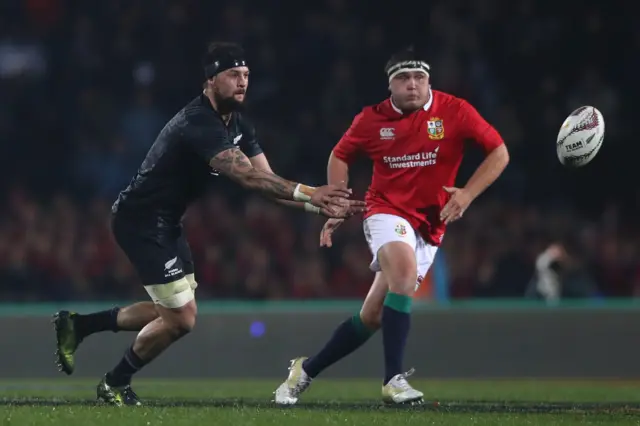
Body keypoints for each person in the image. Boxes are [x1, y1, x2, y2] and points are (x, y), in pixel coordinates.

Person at [52, 42, 365, 407]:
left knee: (170, 312)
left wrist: (320, 207)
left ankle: (78, 326)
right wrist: (312, 194)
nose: (242, 82)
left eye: (246, 75)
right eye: (233, 75)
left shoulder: (239, 124)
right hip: (140, 220)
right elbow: (247, 178)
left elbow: (269, 183)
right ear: (210, 81)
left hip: (166, 222)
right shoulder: (198, 121)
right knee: (181, 319)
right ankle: (113, 383)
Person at [274, 47, 509, 406]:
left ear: (429, 80)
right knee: (403, 273)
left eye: (419, 77)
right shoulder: (371, 120)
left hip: (430, 225)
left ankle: (304, 371)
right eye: (403, 78)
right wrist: (337, 200)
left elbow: (499, 152)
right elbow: (340, 154)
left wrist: (468, 194)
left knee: (371, 316)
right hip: (386, 210)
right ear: (390, 86)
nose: (412, 85)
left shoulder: (455, 110)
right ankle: (393, 380)